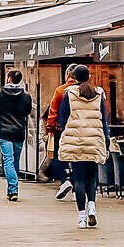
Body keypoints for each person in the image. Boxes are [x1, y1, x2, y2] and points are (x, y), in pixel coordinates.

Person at [54, 64, 110, 229]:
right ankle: (92, 206)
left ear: (74, 77)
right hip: (94, 140)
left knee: (78, 179)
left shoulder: (69, 94)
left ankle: (81, 218)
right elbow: (104, 120)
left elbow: (62, 119)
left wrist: (62, 132)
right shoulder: (99, 94)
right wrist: (105, 139)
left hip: (75, 141)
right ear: (89, 76)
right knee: (92, 177)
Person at [0, 70, 33, 202]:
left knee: (8, 160)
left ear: (9, 78)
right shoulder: (26, 96)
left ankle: (13, 189)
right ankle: (12, 190)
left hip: (4, 131)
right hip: (19, 131)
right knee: (15, 160)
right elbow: (27, 111)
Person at [45, 64, 79, 200]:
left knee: (57, 157)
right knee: (78, 159)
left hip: (62, 130)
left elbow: (53, 111)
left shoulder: (60, 91)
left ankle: (64, 180)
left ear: (67, 75)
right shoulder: (86, 90)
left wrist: (50, 128)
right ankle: (77, 188)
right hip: (79, 129)